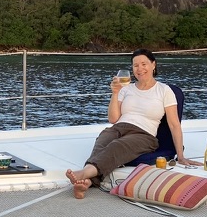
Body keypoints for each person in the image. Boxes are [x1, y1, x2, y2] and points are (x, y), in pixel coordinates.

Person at [66, 48, 199, 199]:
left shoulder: (164, 91)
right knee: (102, 141)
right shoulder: (126, 89)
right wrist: (115, 93)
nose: (140, 68)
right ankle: (88, 182)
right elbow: (113, 119)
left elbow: (174, 125)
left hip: (144, 134)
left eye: (144, 64)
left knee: (116, 146)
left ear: (153, 65)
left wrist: (180, 156)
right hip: (119, 127)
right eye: (136, 65)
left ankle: (83, 173)